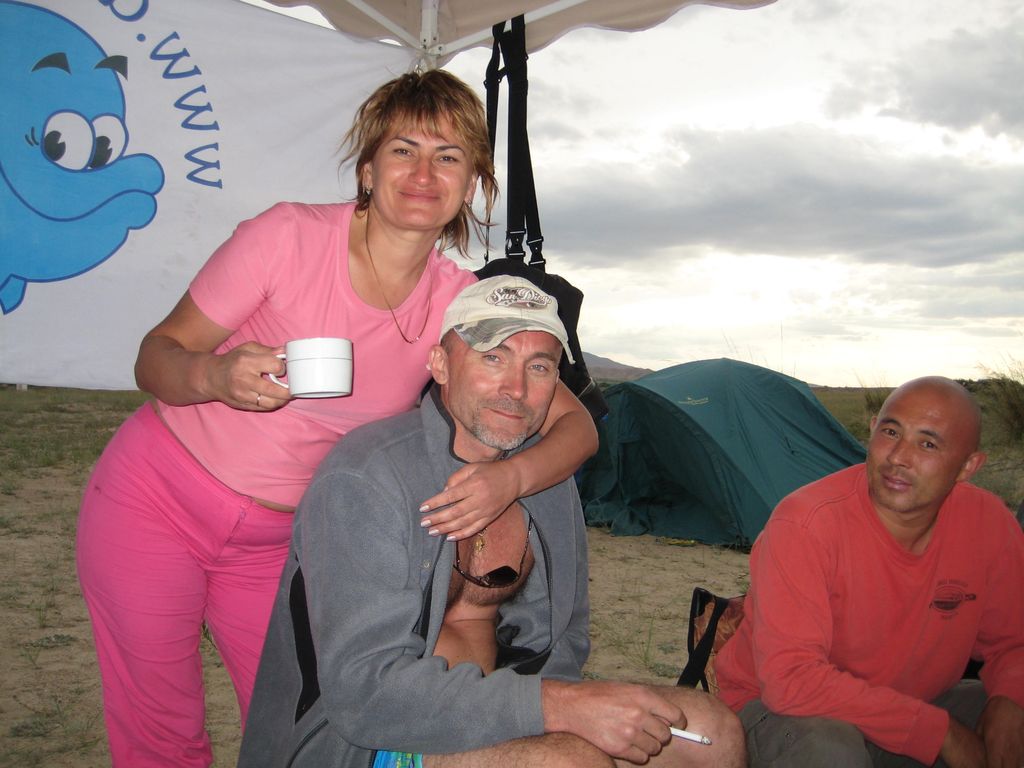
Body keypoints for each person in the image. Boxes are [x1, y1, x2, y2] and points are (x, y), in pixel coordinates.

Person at [75, 71, 597, 768]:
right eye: (403, 150)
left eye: (447, 157)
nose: (423, 174)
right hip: (158, 500)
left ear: (472, 182)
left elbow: (576, 427)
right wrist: (214, 376)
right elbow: (156, 356)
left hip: (284, 539)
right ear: (368, 169)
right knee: (160, 728)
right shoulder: (286, 238)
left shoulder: (455, 302)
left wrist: (511, 479)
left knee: (300, 726)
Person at [238, 275, 746, 768]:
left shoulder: (548, 482)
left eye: (539, 367)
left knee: (712, 731)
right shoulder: (367, 476)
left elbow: (564, 638)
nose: (516, 389)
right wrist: (558, 708)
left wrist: (562, 706)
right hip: (366, 739)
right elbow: (363, 693)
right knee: (569, 763)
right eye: (493, 357)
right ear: (441, 365)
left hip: (505, 707)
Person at [714, 376, 1024, 768]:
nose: (898, 457)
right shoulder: (806, 523)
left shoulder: (988, 524)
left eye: (927, 444)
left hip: (916, 701)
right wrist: (939, 733)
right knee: (831, 749)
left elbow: (1012, 643)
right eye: (890, 432)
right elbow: (791, 680)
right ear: (873, 429)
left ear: (968, 466)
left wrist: (1011, 700)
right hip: (784, 712)